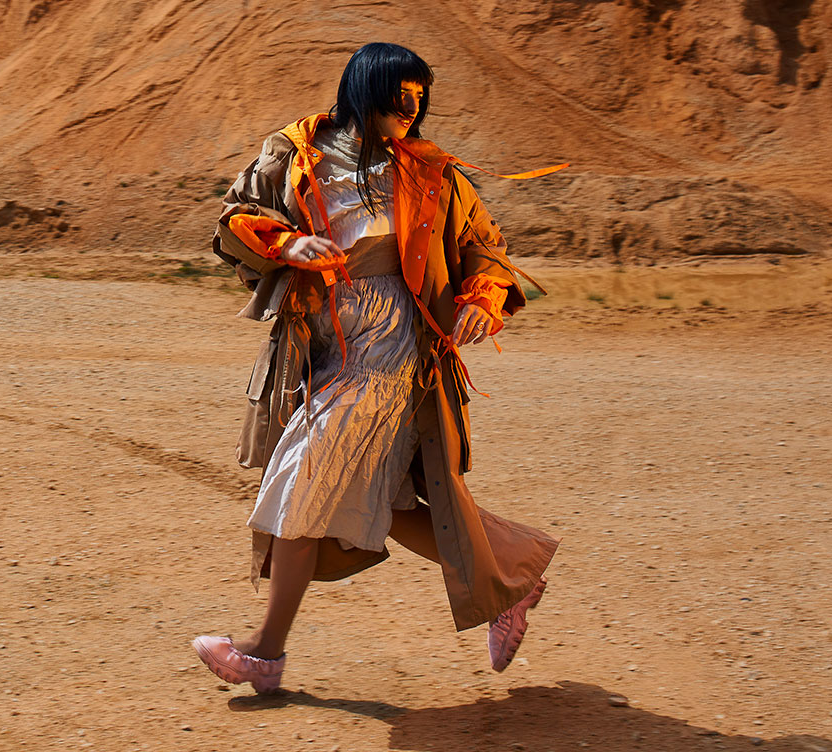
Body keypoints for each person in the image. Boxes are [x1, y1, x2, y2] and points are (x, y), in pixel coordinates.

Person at [191, 41, 560, 694]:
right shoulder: (294, 150)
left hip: (394, 358)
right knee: (381, 506)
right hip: (323, 351)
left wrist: (480, 300)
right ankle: (513, 580)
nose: (410, 114)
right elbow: (236, 217)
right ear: (365, 90)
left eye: (419, 103)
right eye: (400, 99)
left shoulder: (431, 173)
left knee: (304, 479)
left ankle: (264, 653)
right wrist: (289, 242)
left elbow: (487, 250)